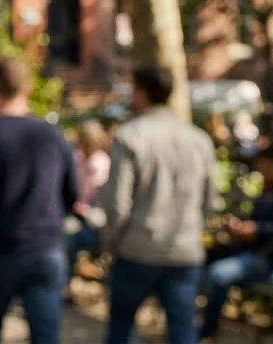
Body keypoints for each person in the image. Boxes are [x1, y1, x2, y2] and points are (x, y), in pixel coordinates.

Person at [0, 58, 79, 344]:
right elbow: (72, 193)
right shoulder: (53, 136)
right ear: (27, 88)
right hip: (45, 249)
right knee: (46, 336)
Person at [99, 64, 218, 344]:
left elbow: (118, 203)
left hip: (138, 249)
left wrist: (109, 242)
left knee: (121, 327)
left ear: (142, 93)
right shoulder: (199, 140)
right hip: (184, 250)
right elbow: (210, 201)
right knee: (182, 328)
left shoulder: (130, 136)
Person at [199, 143, 273, 341]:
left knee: (218, 274)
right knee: (197, 262)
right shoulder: (269, 191)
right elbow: (255, 223)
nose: (262, 174)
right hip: (250, 255)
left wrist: (258, 230)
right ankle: (192, 323)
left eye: (265, 169)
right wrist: (240, 228)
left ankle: (205, 330)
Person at [65, 119, 111, 294]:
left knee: (69, 236)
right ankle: (66, 284)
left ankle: (66, 284)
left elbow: (96, 195)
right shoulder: (78, 158)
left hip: (94, 215)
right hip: (79, 211)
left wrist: (82, 206)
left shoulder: (99, 162)